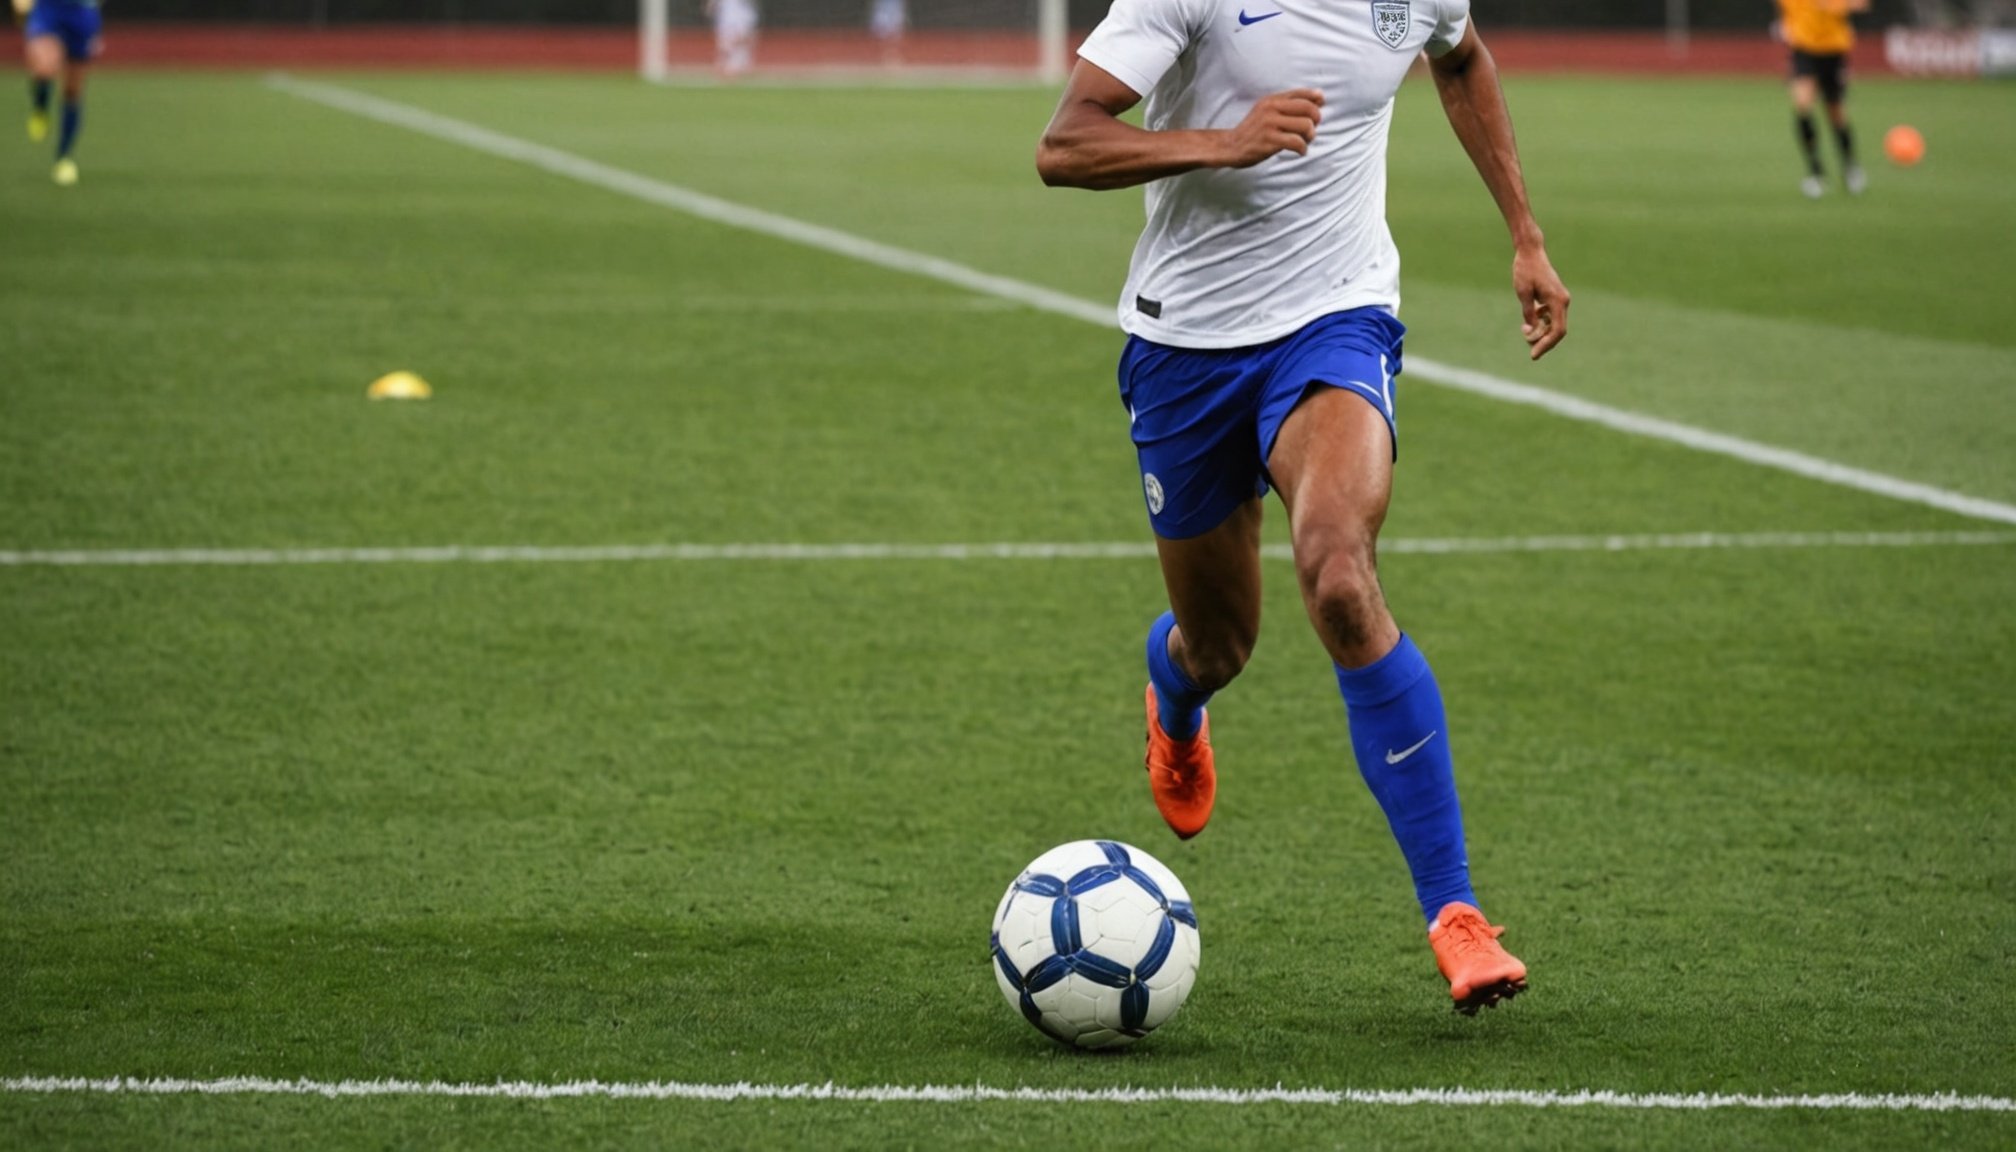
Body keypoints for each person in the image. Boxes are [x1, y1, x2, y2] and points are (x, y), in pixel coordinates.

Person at [1037, 0, 1569, 1014]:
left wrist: (1525, 234)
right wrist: (1225, 143)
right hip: (1185, 346)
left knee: (1339, 575)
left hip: (1336, 316)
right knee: (1218, 646)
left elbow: (1462, 61)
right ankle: (1176, 695)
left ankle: (1456, 914)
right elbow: (1064, 145)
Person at [1776, 0, 1868, 197]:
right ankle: (1816, 172)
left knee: (1836, 114)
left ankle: (1850, 166)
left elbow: (1861, 4)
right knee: (1802, 105)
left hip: (1833, 50)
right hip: (1804, 50)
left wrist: (1833, 5)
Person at [19, 0, 99, 186]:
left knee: (72, 91)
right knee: (44, 69)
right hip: (49, 10)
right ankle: (40, 108)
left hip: (82, 15)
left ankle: (63, 157)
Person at [708, 0, 757, 78]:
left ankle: (734, 65)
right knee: (727, 46)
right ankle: (726, 65)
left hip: (736, 21)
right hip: (726, 23)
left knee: (737, 44)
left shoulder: (743, 11)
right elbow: (711, 7)